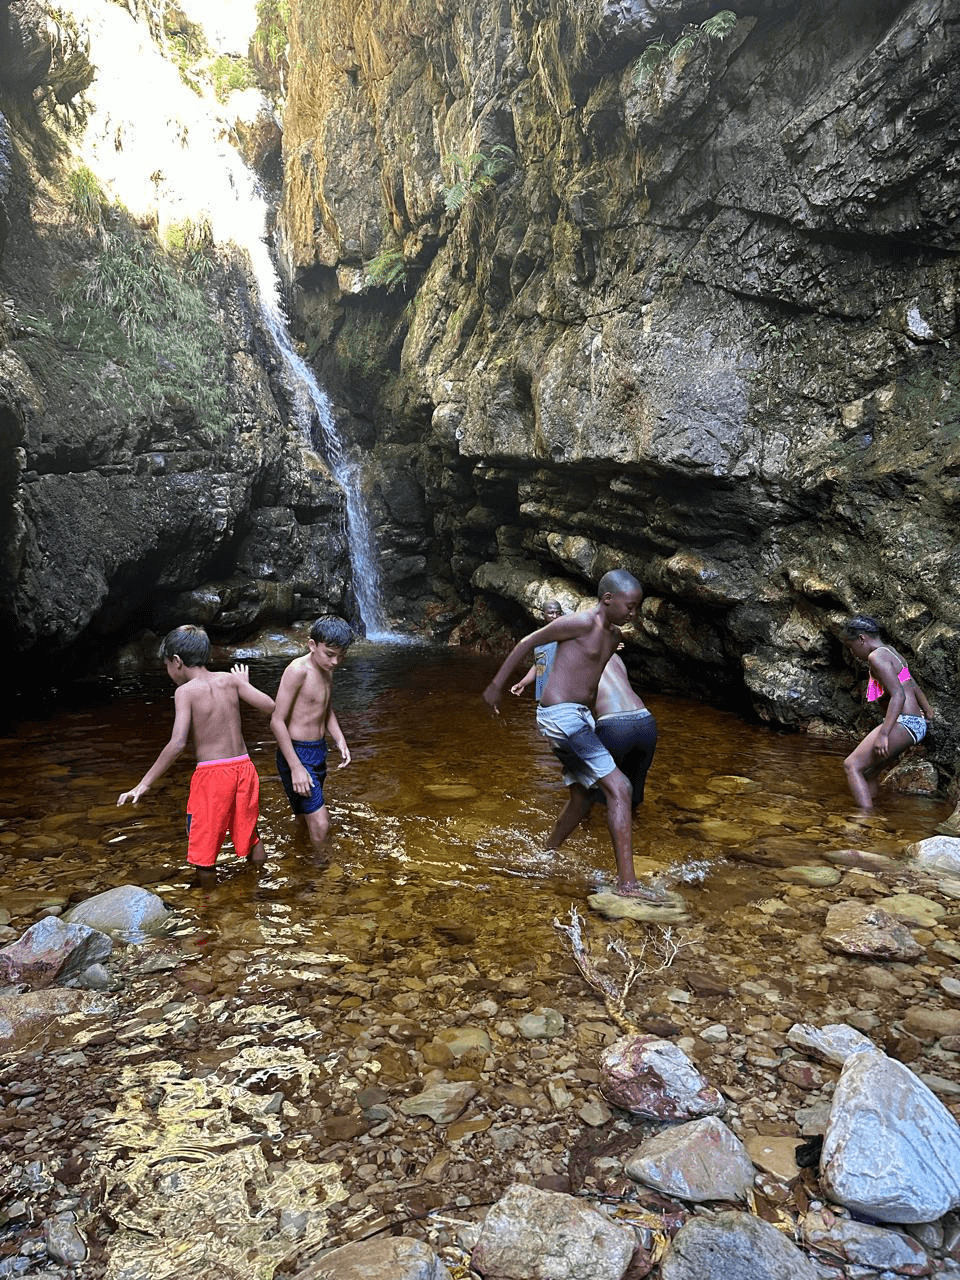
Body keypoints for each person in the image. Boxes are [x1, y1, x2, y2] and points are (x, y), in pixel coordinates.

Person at [483, 568, 662, 900]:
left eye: (637, 607)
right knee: (620, 787)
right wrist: (496, 686)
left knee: (582, 797)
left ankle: (544, 855)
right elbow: (529, 642)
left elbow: (590, 684)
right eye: (629, 606)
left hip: (580, 717)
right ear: (607, 600)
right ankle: (628, 887)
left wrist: (591, 720)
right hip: (559, 715)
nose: (633, 614)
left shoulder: (613, 638)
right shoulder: (579, 623)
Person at [117, 624, 275, 882]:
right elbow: (270, 706)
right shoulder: (231, 680)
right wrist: (245, 684)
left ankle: (208, 908)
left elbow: (177, 744)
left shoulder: (185, 692)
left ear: (177, 662)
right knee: (249, 831)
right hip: (245, 768)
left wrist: (144, 784)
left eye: (167, 665)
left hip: (213, 776)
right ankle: (258, 885)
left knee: (204, 846)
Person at [545, 647, 658, 850]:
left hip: (614, 726)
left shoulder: (566, 658)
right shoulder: (612, 654)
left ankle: (548, 851)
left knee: (581, 796)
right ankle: (641, 849)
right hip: (646, 722)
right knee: (630, 796)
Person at [272, 615, 354, 847]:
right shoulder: (298, 671)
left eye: (341, 655)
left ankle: (302, 865)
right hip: (297, 753)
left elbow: (325, 708)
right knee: (321, 823)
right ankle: (322, 877)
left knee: (304, 816)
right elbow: (276, 721)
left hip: (318, 751)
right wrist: (296, 767)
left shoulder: (328, 667)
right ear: (312, 645)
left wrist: (340, 739)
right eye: (329, 654)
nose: (336, 661)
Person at [841, 615, 933, 810]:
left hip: (905, 722)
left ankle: (865, 820)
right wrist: (928, 712)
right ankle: (876, 816)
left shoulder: (876, 657)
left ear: (862, 639)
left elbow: (898, 695)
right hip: (915, 723)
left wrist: (884, 734)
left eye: (851, 646)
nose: (852, 652)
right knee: (869, 772)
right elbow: (912, 685)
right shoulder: (892, 653)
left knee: (851, 766)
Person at [510, 601, 563, 700]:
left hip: (562, 699)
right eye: (551, 613)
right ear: (543, 615)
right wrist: (522, 683)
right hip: (543, 699)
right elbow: (538, 666)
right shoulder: (539, 639)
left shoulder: (567, 637)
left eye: (558, 613)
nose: (555, 616)